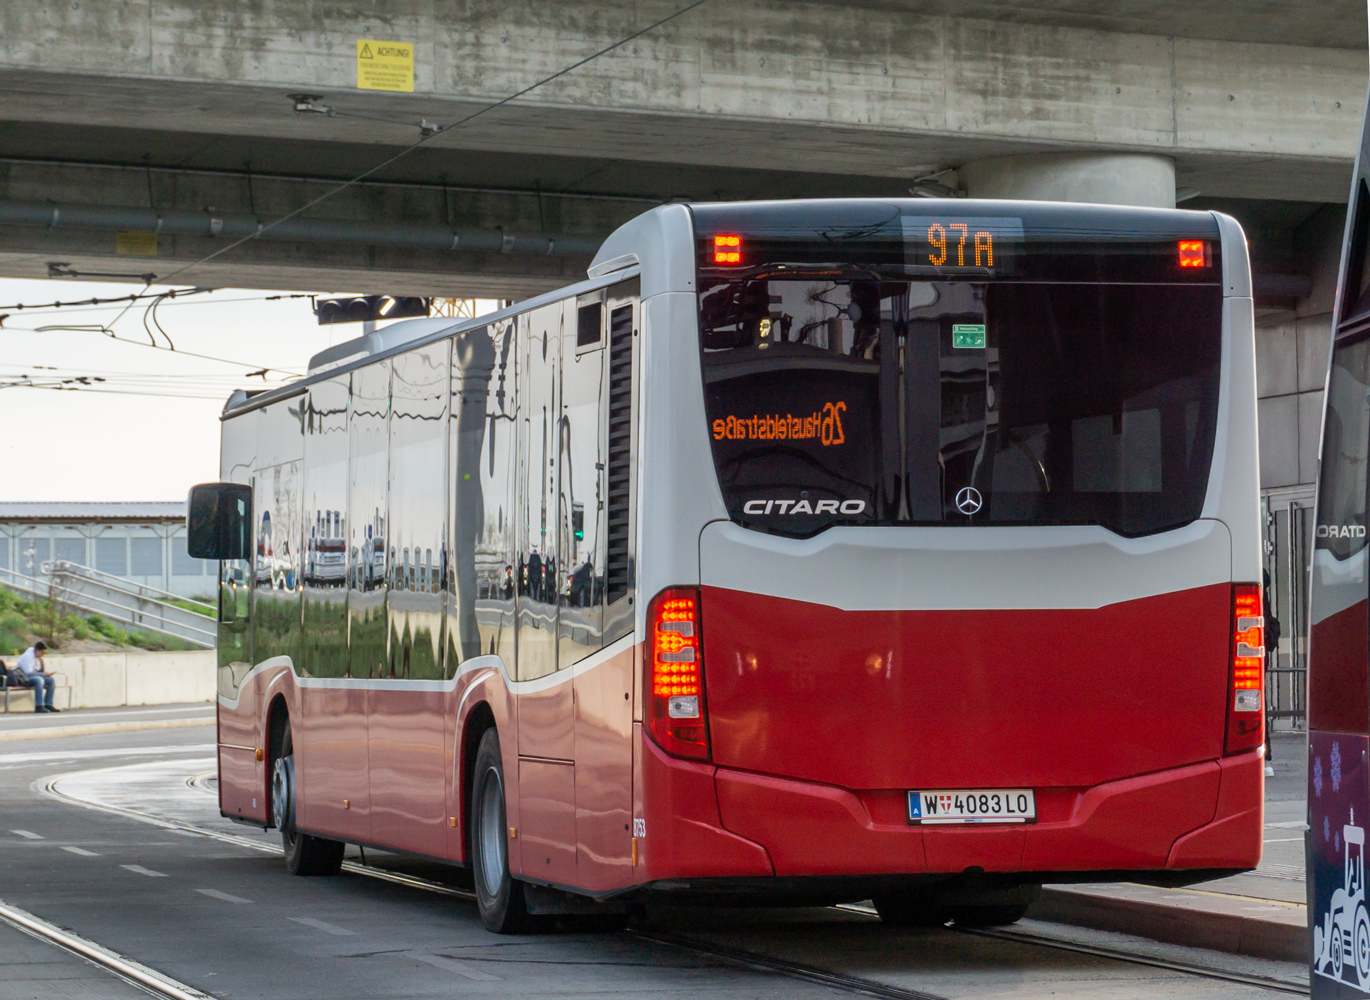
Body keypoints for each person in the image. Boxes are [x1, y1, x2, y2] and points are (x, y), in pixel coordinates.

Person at [16, 641, 59, 713]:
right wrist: (44, 674)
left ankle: (48, 704)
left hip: (32, 677)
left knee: (51, 680)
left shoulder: (37, 658)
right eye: (42, 653)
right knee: (39, 680)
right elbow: (28, 673)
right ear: (37, 650)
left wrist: (42, 665)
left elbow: (38, 671)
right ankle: (39, 705)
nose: (42, 655)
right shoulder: (27, 656)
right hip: (23, 678)